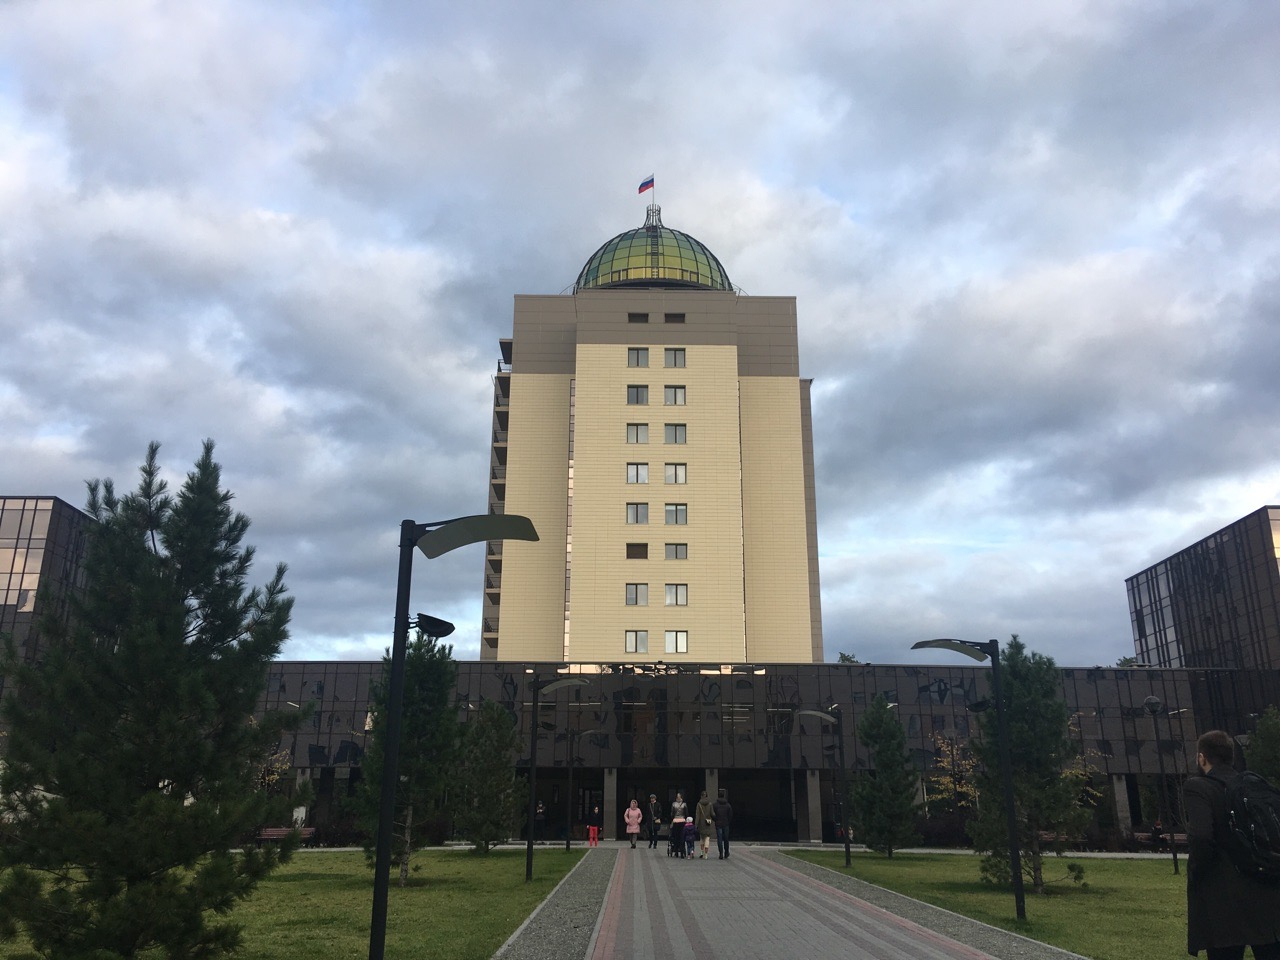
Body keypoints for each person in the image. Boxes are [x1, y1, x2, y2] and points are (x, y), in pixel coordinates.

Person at [1184, 729, 1280, 959]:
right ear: (1231, 757)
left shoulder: (1198, 787)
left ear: (1202, 758)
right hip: (1268, 890)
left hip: (1224, 899)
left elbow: (1201, 837)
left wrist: (1196, 871)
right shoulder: (1253, 785)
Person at [713, 788, 733, 860]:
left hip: (718, 823)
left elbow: (712, 814)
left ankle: (721, 853)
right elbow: (730, 815)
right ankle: (726, 852)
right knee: (726, 838)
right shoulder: (728, 805)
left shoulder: (715, 805)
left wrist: (715, 820)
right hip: (726, 823)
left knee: (719, 838)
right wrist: (728, 821)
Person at [695, 790, 715, 859]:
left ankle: (702, 852)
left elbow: (697, 815)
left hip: (701, 823)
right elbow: (712, 814)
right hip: (708, 823)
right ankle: (706, 854)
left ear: (701, 796)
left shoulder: (699, 804)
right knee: (707, 838)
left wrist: (696, 824)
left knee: (702, 838)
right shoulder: (710, 804)